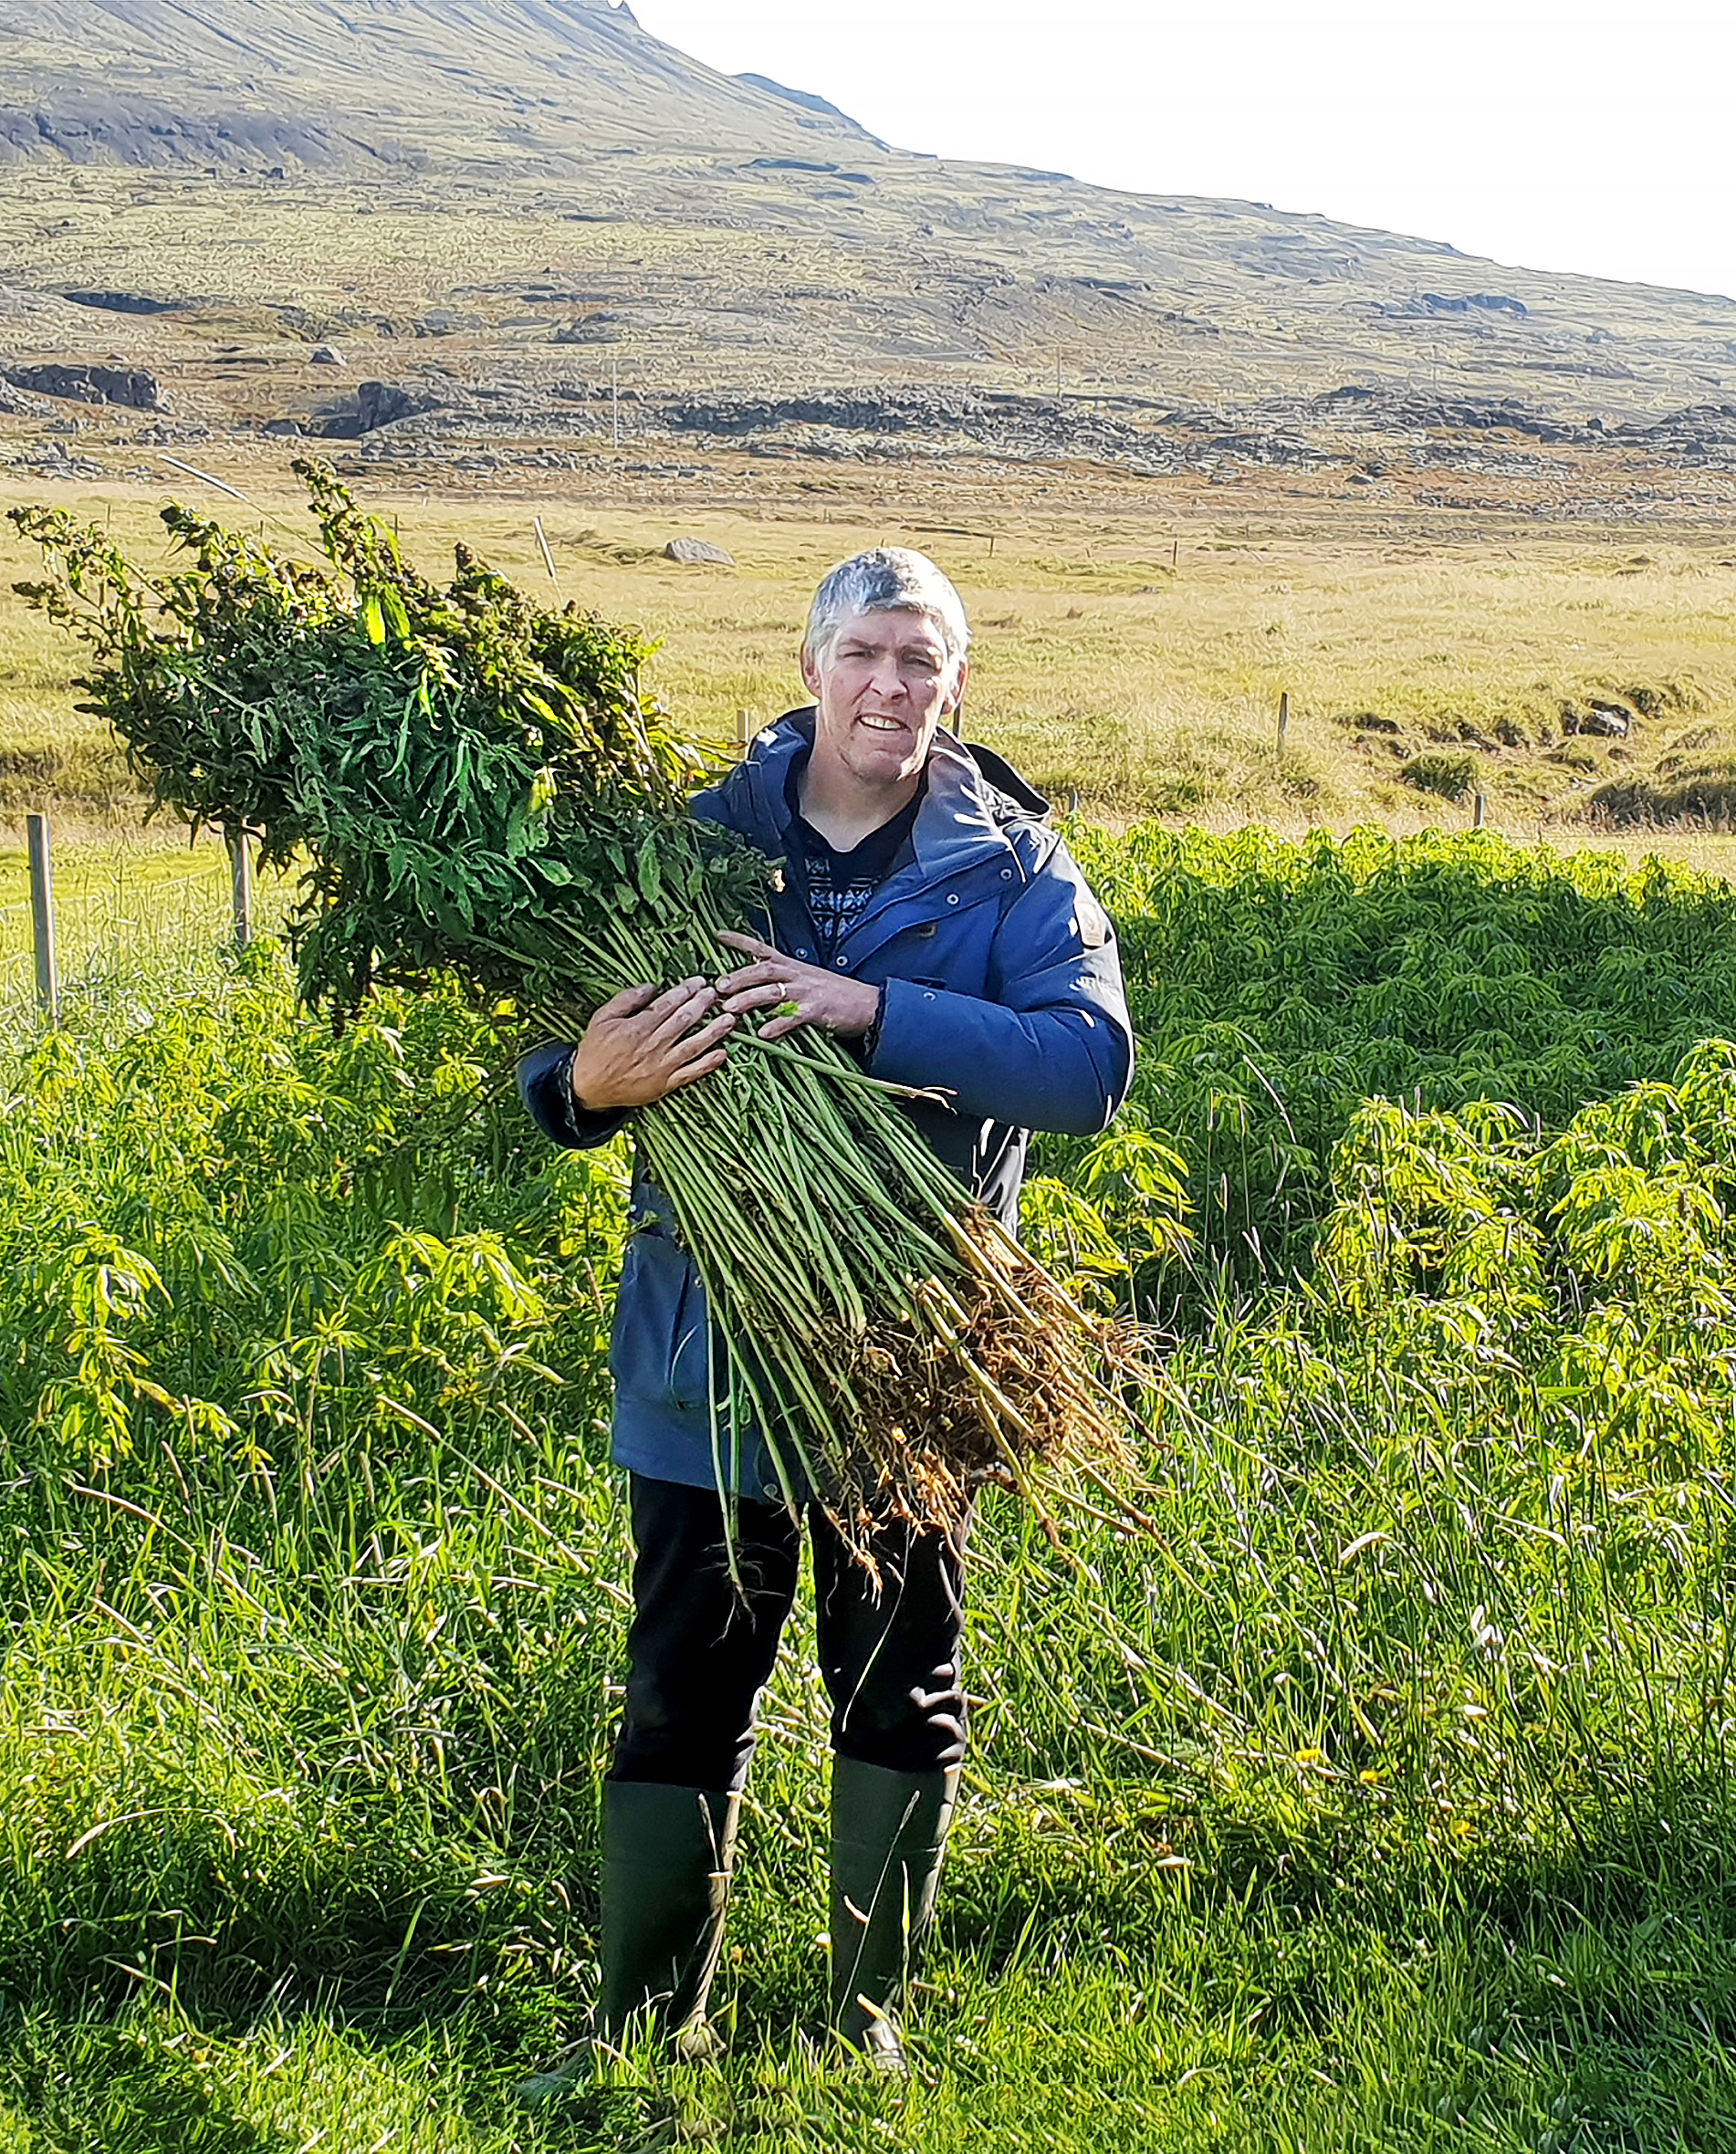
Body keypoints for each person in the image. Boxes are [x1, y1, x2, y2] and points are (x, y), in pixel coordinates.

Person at [512, 547, 1133, 2089]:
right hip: (707, 1349)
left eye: (921, 661)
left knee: (897, 1683)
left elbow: (1086, 1070)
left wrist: (874, 1012)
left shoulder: (1014, 868)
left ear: (957, 685)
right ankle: (638, 2029)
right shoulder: (689, 849)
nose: (890, 687)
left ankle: (864, 2028)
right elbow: (556, 1066)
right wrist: (585, 1086)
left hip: (914, 1351)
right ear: (809, 669)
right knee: (683, 1685)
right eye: (864, 654)